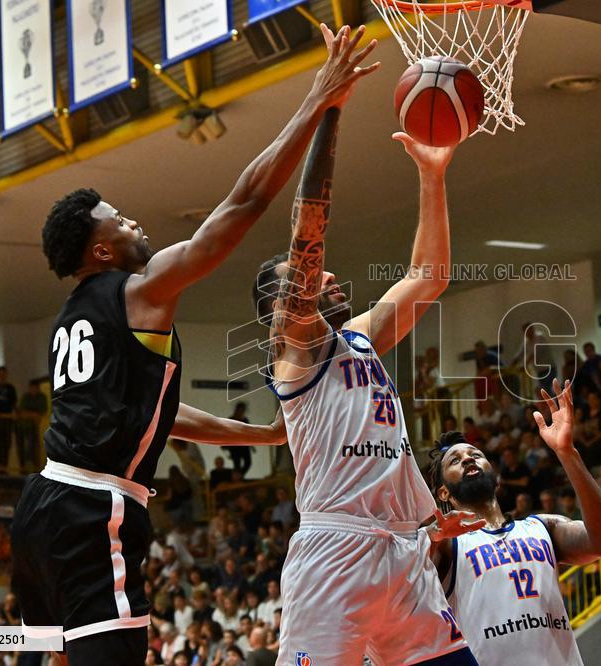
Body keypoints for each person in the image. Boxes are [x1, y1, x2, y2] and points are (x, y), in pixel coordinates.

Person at [9, 20, 368, 664]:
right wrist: (319, 99)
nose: (132, 221)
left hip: (43, 505)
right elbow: (245, 202)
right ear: (101, 248)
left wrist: (260, 436)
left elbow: (159, 417)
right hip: (94, 510)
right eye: (117, 220)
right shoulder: (136, 290)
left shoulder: (74, 315)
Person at [250, 24, 480, 666]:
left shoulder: (358, 340)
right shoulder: (294, 349)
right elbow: (307, 232)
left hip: (403, 554)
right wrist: (330, 112)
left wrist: (432, 176)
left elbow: (428, 277)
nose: (329, 274)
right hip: (335, 556)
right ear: (285, 303)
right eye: (312, 276)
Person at [425, 380, 601, 663]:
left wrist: (567, 453)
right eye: (455, 460)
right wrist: (430, 537)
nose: (468, 459)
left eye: (476, 455)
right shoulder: (447, 544)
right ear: (444, 492)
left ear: (498, 477)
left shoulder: (542, 527)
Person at [16, 379, 48, 472]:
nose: (33, 390)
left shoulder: (42, 397)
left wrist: (30, 414)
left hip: (36, 426)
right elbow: (22, 412)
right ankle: (23, 467)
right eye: (32, 388)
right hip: (22, 426)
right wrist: (33, 414)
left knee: (34, 446)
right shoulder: (25, 397)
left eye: (35, 388)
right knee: (22, 446)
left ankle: (35, 467)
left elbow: (42, 411)